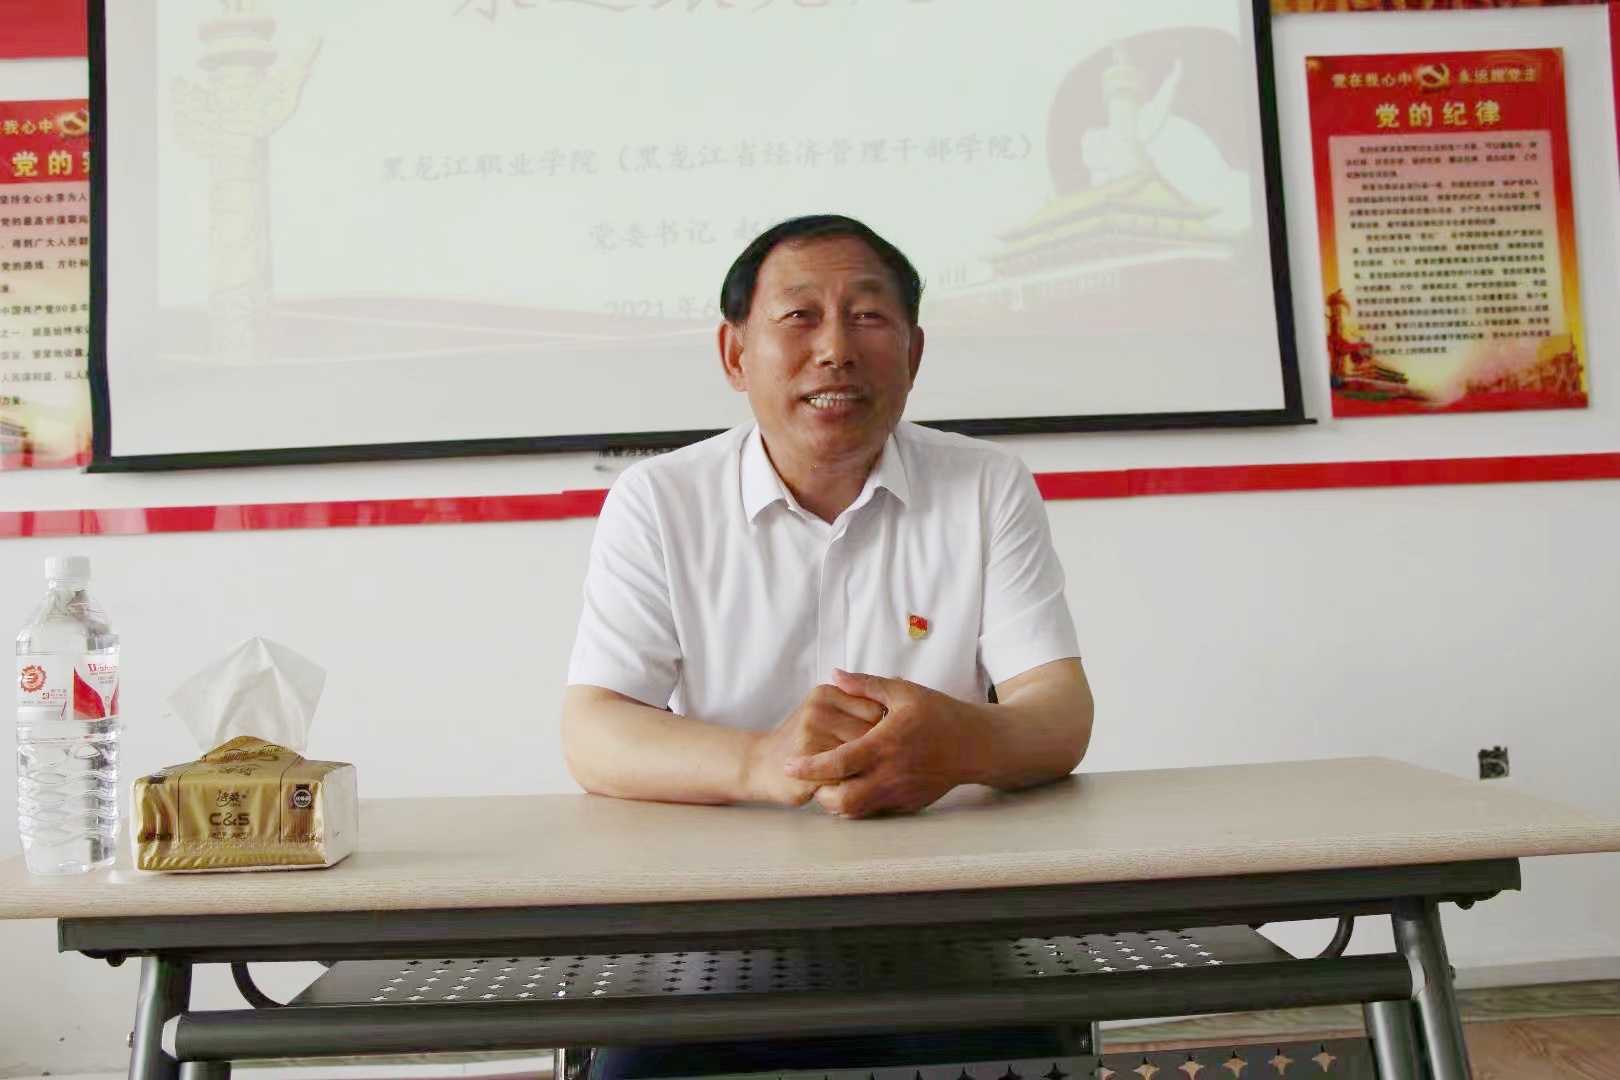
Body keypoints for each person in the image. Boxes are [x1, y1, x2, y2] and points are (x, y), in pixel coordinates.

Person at [562, 214, 1095, 1077]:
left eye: (869, 316)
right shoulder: (658, 501)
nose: (836, 350)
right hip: (716, 926)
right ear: (735, 354)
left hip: (945, 920)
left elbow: (1060, 714)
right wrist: (760, 763)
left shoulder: (986, 486)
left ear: (913, 353)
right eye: (800, 316)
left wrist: (958, 743)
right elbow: (594, 730)